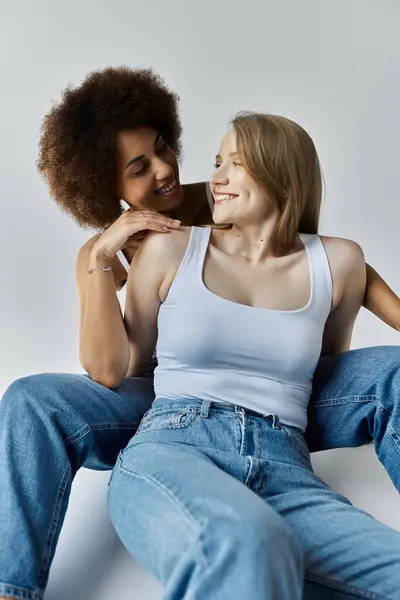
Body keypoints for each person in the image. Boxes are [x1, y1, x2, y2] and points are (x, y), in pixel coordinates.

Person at [0, 66, 398, 600]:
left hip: (280, 396)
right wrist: (100, 256)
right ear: (107, 188)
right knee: (33, 401)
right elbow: (111, 370)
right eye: (139, 168)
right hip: (167, 397)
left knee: (391, 371)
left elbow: (326, 262)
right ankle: (11, 588)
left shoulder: (220, 194)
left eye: (164, 149)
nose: (166, 170)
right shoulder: (120, 249)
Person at [107, 112, 400, 599]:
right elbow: (135, 365)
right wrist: (95, 264)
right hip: (177, 445)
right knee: (246, 541)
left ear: (281, 174)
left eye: (234, 165)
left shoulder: (339, 262)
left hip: (286, 461)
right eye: (216, 162)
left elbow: (326, 367)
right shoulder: (168, 250)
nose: (214, 179)